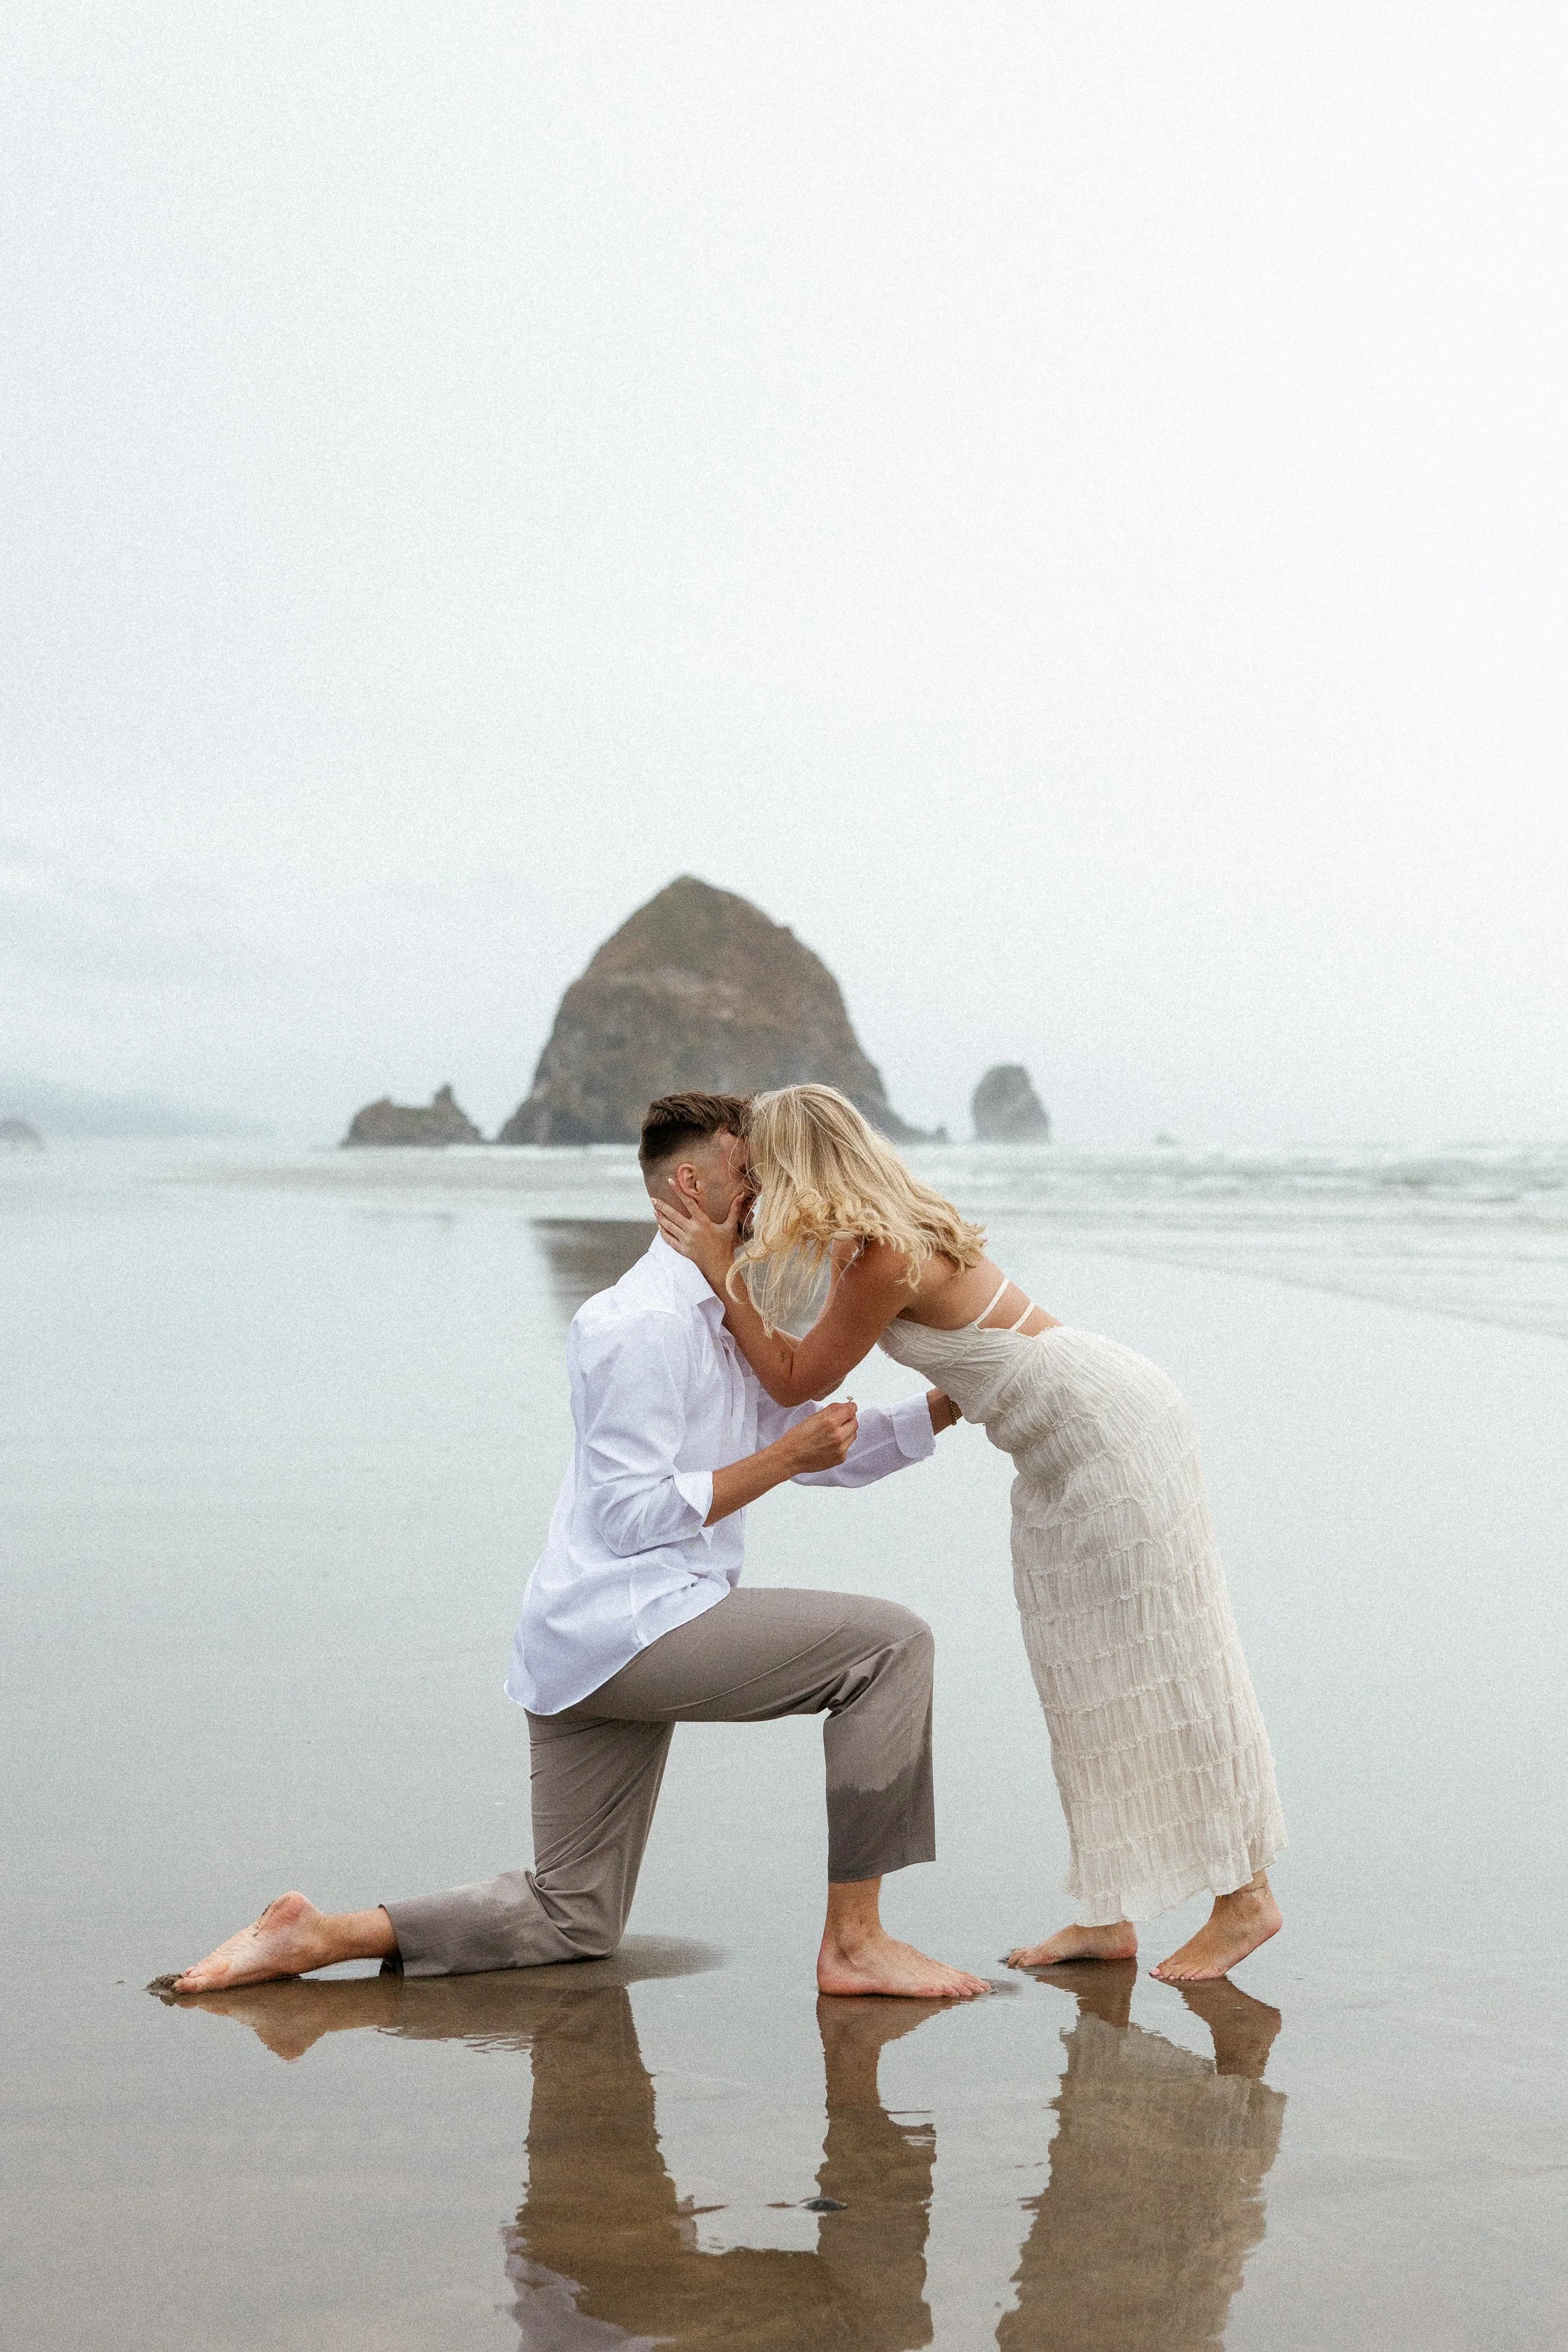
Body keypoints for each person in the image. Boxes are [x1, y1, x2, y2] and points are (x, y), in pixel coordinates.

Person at [168, 1091, 987, 2003]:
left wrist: (948, 1406)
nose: (765, 1191)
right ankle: (858, 1943)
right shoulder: (632, 1325)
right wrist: (779, 1457)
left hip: (587, 1647)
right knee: (890, 1647)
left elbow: (817, 1445)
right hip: (632, 1626)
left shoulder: (722, 1316)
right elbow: (633, 1515)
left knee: (574, 1919)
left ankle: (315, 1935)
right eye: (747, 1171)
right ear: (692, 1182)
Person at [653, 1084, 1285, 1983]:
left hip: (1109, 1433)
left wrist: (721, 1271)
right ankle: (1107, 1913)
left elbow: (797, 1380)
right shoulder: (867, 1246)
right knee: (1082, 1672)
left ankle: (1246, 1896)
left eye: (758, 1171)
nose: (751, 1189)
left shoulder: (883, 1256)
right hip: (1058, 1445)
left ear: (802, 1164)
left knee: (1170, 1657)